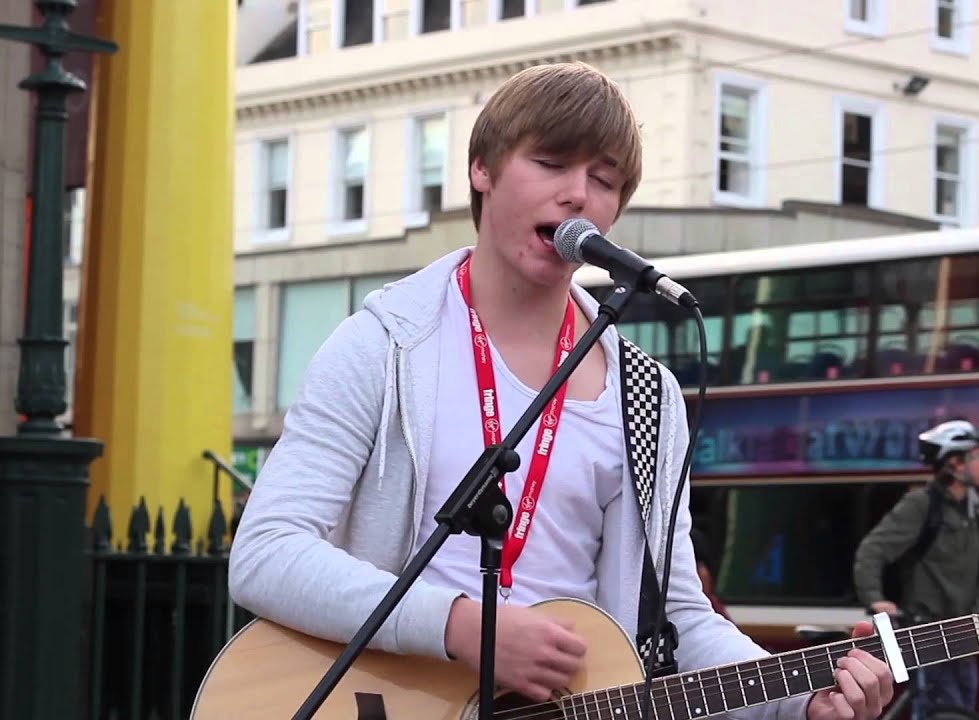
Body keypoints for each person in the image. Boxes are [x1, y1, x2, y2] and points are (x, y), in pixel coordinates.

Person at [228, 61, 894, 720]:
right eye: (551, 163)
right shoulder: (383, 346)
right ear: (482, 169)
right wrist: (459, 626)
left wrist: (799, 699)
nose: (578, 194)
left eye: (603, 180)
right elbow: (266, 551)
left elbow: (676, 618)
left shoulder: (647, 397)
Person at [851, 420, 979, 720]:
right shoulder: (920, 504)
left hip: (966, 638)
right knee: (941, 713)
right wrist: (875, 599)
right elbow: (872, 550)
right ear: (955, 463)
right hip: (928, 636)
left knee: (963, 712)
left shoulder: (977, 510)